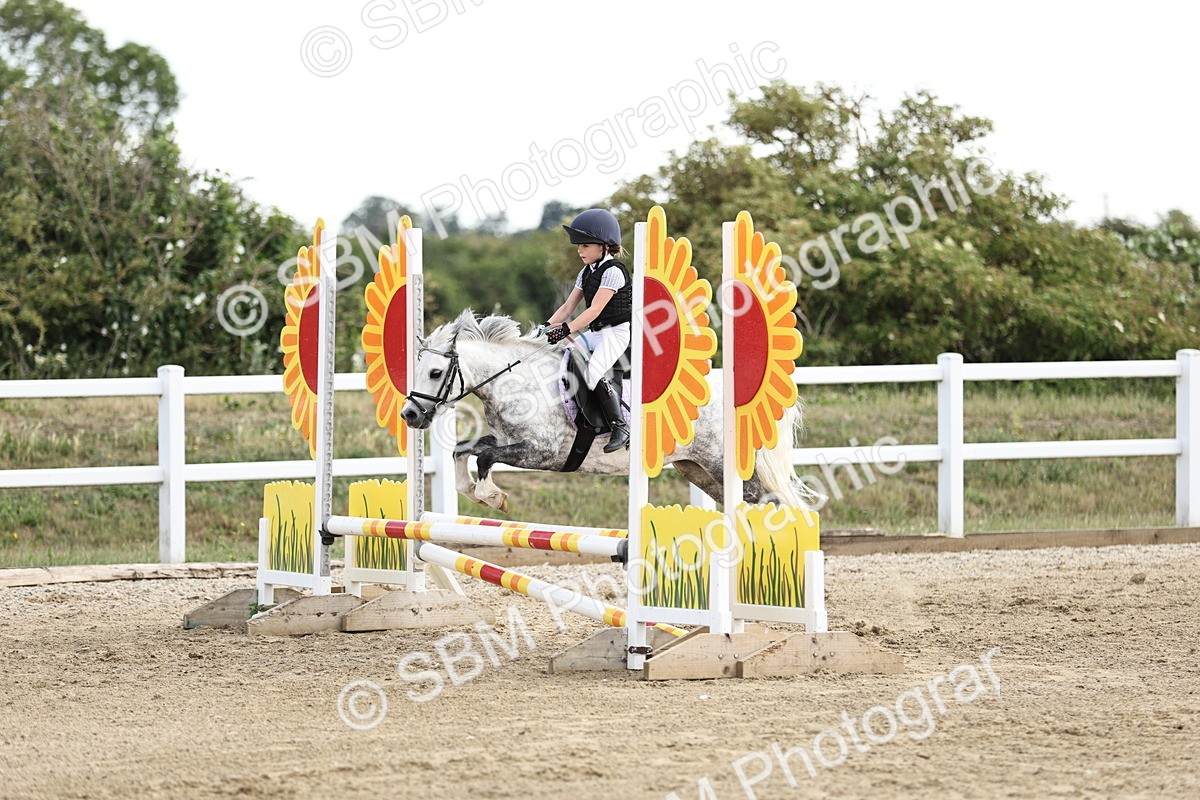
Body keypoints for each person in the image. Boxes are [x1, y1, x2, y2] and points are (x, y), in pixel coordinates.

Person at [542, 208, 631, 453]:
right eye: (578, 246)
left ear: (603, 246)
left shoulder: (613, 271)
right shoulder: (586, 272)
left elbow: (593, 311)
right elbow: (569, 306)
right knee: (567, 354)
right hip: (596, 333)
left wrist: (566, 329)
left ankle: (620, 425)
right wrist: (546, 327)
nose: (579, 250)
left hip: (616, 334)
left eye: (585, 245)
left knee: (593, 373)